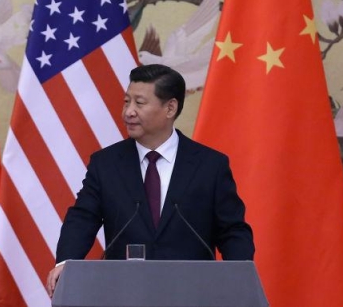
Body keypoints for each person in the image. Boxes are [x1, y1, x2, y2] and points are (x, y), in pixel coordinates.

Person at [46, 64, 253, 297]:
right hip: (124, 294)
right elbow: (82, 218)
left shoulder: (210, 165)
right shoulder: (106, 163)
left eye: (139, 103)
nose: (128, 112)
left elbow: (232, 230)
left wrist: (240, 276)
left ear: (170, 108)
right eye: (126, 102)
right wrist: (65, 262)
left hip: (193, 294)